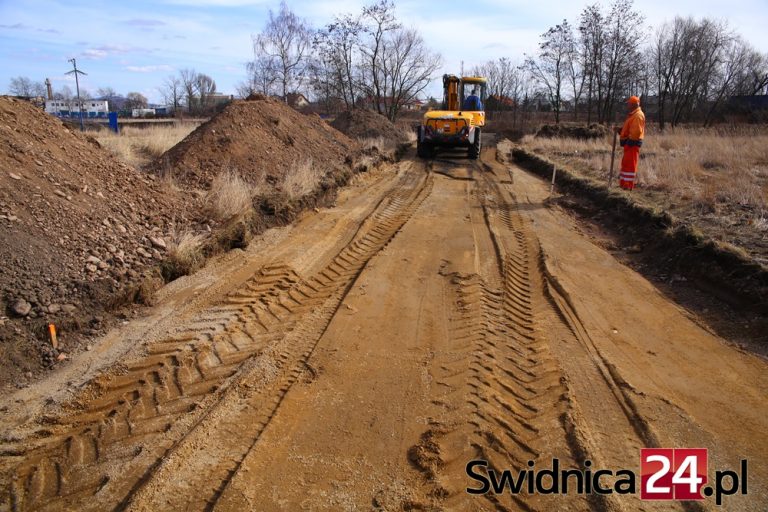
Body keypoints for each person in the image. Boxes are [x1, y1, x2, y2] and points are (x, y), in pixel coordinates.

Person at [615, 96, 645, 190]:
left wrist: (628, 141)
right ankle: (623, 184)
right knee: (626, 165)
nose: (627, 105)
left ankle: (628, 186)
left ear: (633, 104)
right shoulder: (632, 115)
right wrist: (620, 130)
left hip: (632, 145)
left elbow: (636, 133)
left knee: (630, 166)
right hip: (629, 144)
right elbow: (629, 130)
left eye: (629, 104)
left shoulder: (638, 116)